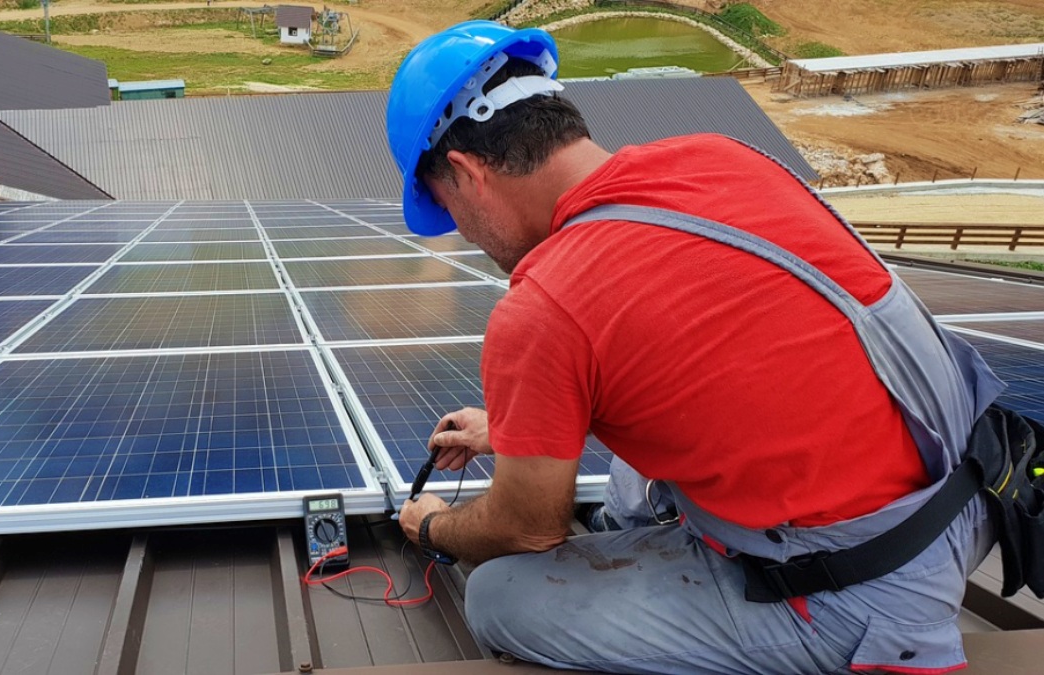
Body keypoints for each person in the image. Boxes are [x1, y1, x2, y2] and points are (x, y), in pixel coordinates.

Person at [385, 20, 1006, 675]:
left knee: (496, 595)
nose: (461, 232)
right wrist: (509, 427)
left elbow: (525, 529)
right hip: (964, 503)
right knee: (631, 476)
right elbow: (697, 353)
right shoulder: (722, 158)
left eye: (447, 208)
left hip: (861, 594)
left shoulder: (542, 304)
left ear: (465, 171)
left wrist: (431, 525)